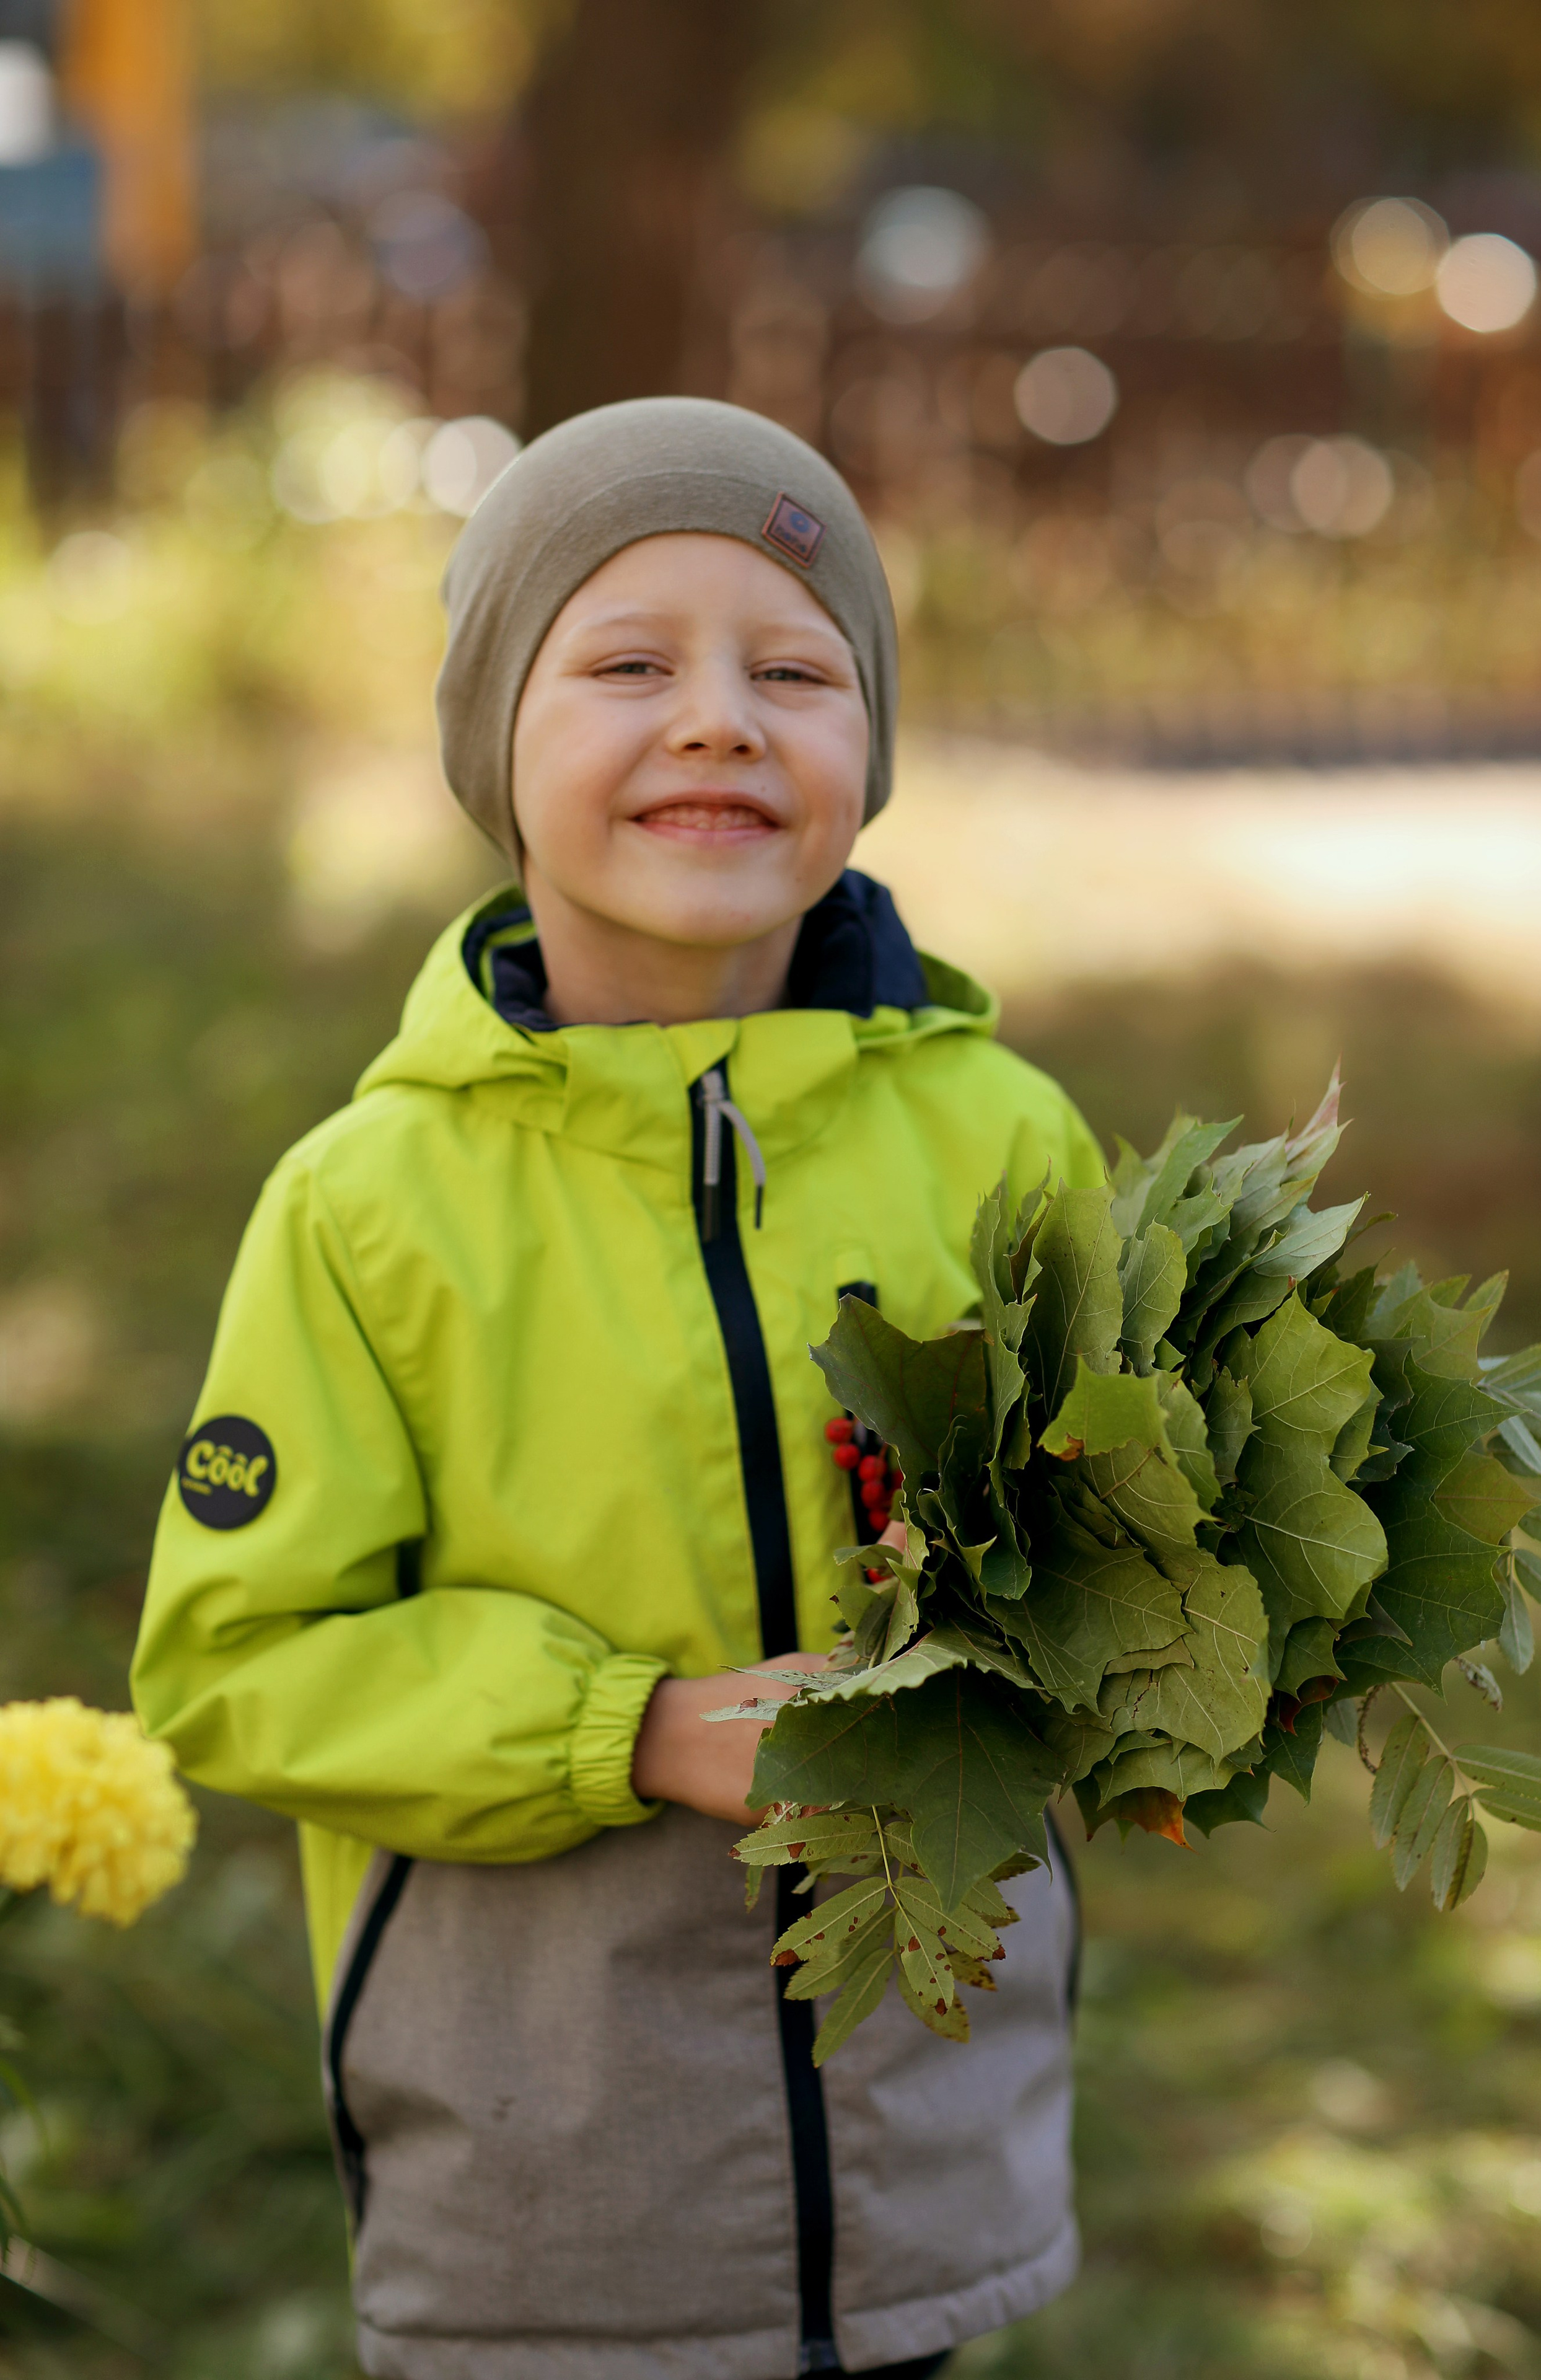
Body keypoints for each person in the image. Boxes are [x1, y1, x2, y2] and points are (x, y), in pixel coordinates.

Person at [131, 397, 1105, 2380]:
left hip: (928, 2144)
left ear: (870, 753)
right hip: (550, 2202)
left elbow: (1122, 1540)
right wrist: (628, 1729)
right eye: (628, 663)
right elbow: (238, 1661)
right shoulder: (368, 1207)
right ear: (496, 738)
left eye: (796, 669)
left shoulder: (1009, 1143)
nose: (721, 720)